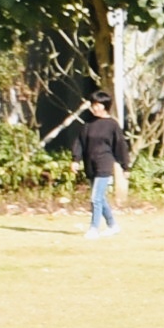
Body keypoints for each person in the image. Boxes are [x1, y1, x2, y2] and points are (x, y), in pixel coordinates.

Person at [70, 93, 128, 235]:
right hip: (90, 164)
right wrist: (75, 160)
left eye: (97, 104)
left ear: (105, 106)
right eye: (93, 104)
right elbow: (79, 143)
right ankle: (112, 225)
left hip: (104, 163)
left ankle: (93, 228)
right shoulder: (88, 124)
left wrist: (125, 166)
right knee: (100, 198)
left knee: (95, 197)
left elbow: (120, 146)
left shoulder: (112, 125)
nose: (94, 107)